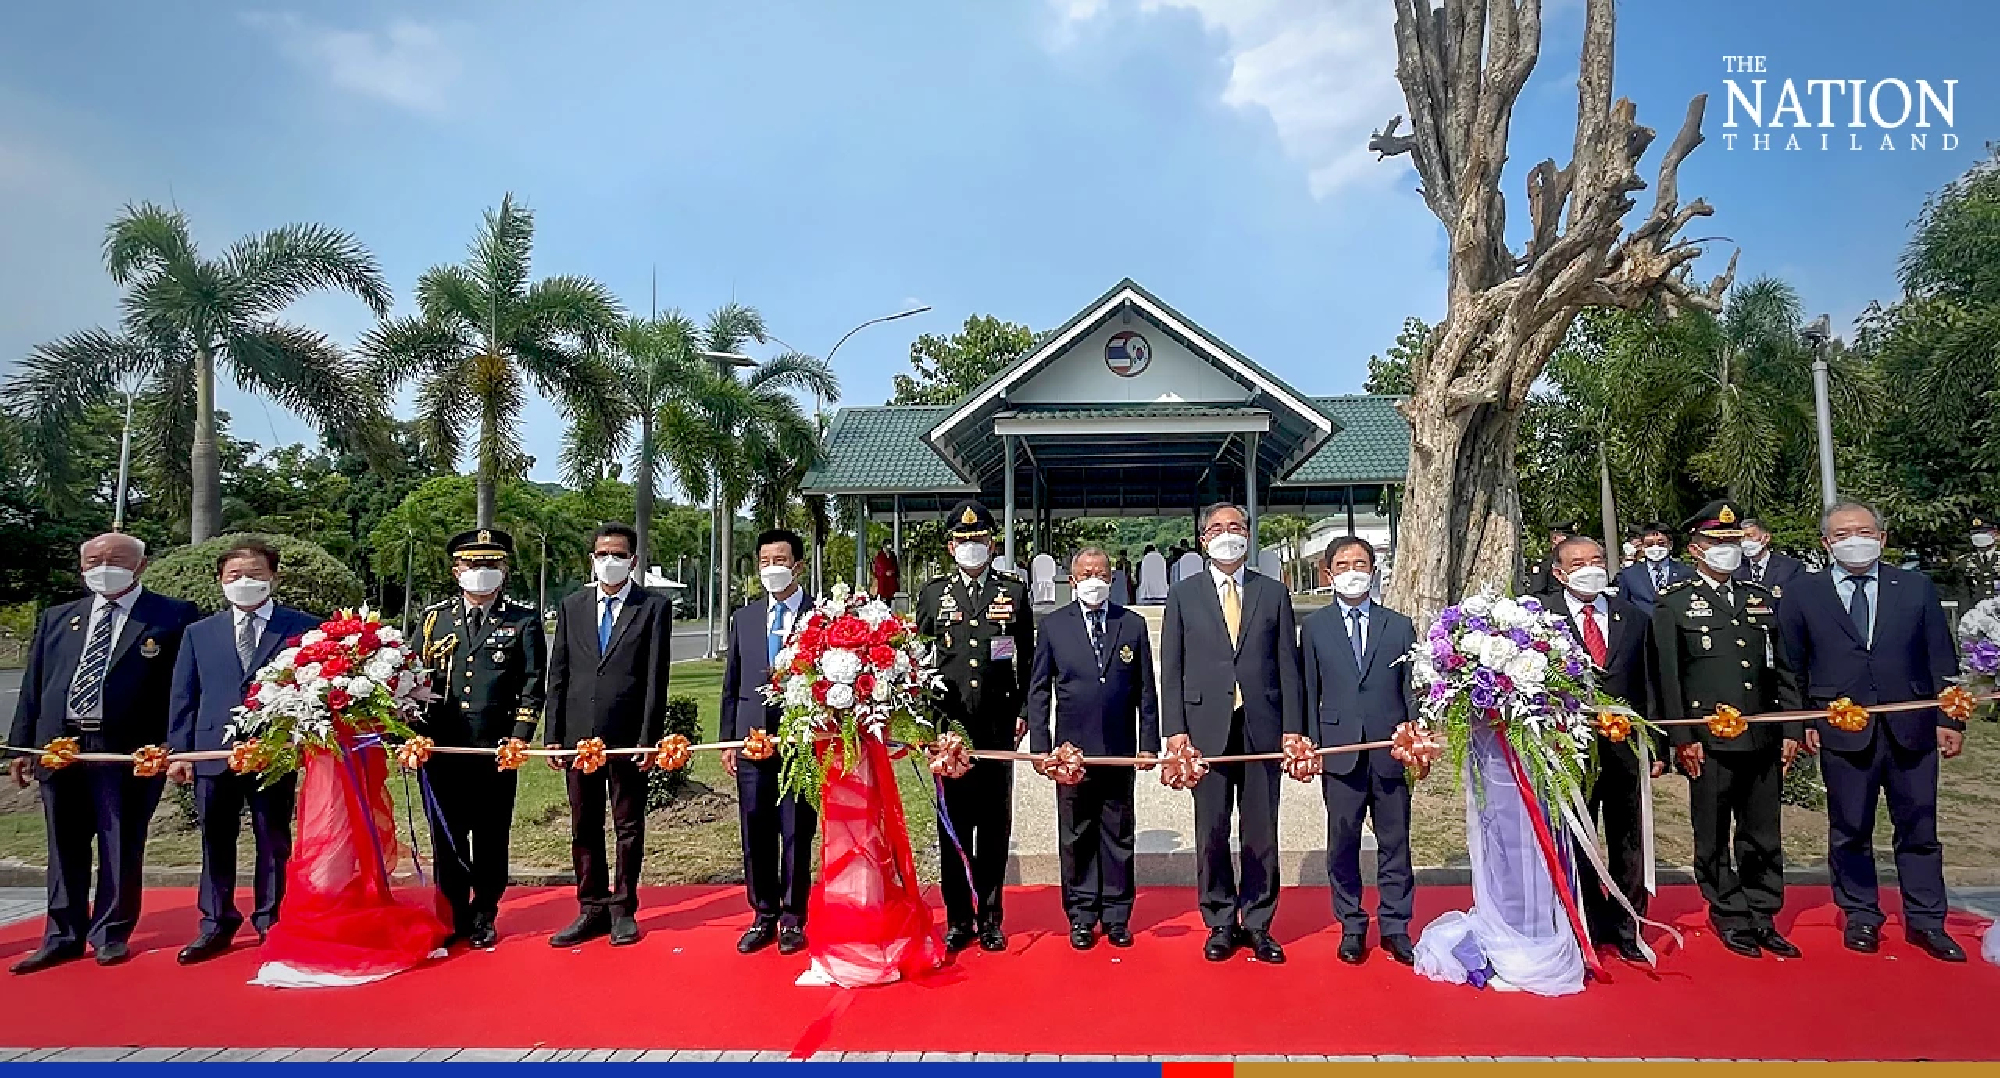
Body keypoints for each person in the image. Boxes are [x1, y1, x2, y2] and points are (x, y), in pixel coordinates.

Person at [1776, 501, 1966, 962]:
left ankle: (1927, 920)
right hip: (1842, 729)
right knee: (1850, 827)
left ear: (1882, 538)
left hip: (1912, 728)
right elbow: (1791, 667)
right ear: (1826, 543)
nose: (1854, 541)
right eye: (1842, 534)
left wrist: (1949, 719)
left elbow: (1941, 657)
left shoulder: (1915, 587)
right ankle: (1860, 913)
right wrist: (1804, 722)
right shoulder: (1803, 593)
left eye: (1863, 532)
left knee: (1919, 827)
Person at [8, 534, 199, 974]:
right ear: (82, 567)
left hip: (129, 752)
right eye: (94, 560)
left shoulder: (172, 616)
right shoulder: (60, 617)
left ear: (141, 565)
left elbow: (183, 687)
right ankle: (62, 935)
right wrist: (22, 745)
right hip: (61, 749)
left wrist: (174, 743)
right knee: (64, 846)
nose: (104, 567)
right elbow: (35, 684)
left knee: (120, 842)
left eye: (116, 560)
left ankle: (111, 932)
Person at [1649, 500, 1802, 960]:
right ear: (1696, 548)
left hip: (1763, 734)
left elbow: (1782, 669)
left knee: (1763, 832)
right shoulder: (1674, 603)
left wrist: (1791, 728)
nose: (1729, 549)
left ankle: (1763, 912)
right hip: (1709, 740)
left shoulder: (1761, 597)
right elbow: (1669, 679)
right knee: (1713, 831)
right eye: (1718, 542)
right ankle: (1730, 913)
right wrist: (1681, 739)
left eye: (1734, 541)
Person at [1160, 502, 1302, 964]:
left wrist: (1293, 729)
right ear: (1204, 539)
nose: (1227, 535)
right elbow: (1172, 667)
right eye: (1217, 528)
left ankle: (1259, 921)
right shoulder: (1183, 595)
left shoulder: (1272, 592)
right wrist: (1175, 730)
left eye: (1235, 527)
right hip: (1206, 729)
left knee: (1261, 830)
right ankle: (1220, 919)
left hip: (1262, 725)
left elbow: (1288, 665)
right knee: (1212, 830)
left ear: (1248, 535)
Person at [166, 537, 319, 965]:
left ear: (274, 577)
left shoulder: (302, 628)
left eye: (255, 574)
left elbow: (314, 689)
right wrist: (180, 751)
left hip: (274, 751)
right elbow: (184, 695)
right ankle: (215, 922)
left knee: (273, 838)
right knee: (216, 838)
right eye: (235, 575)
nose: (245, 582)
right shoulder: (199, 632)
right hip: (212, 751)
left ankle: (271, 919)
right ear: (220, 580)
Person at [415, 528, 546, 950]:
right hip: (443, 747)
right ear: (456, 571)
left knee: (491, 834)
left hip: (495, 748)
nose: (481, 571)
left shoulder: (522, 620)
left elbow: (533, 683)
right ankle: (453, 913)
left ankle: (485, 909)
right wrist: (415, 734)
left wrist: (520, 736)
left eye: (491, 564)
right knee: (447, 835)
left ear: (504, 570)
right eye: (473, 564)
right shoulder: (435, 620)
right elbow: (412, 680)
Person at [545, 522, 674, 948]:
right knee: (584, 824)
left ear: (633, 561)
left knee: (627, 824)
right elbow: (559, 672)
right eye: (603, 554)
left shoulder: (653, 608)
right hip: (578, 738)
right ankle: (591, 907)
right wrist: (553, 735)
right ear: (592, 559)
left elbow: (656, 677)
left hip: (628, 737)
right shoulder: (573, 606)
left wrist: (649, 738)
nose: (610, 561)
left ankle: (623, 908)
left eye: (618, 555)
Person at [914, 500, 1034, 953]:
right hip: (950, 727)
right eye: (963, 541)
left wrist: (1025, 710)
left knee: (994, 825)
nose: (971, 546)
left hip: (998, 725)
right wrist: (925, 720)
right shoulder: (933, 594)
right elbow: (916, 660)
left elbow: (1028, 657)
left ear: (993, 544)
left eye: (979, 539)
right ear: (950, 547)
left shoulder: (1013, 591)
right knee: (954, 826)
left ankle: (990, 917)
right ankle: (959, 918)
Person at [1027, 547, 1158, 950]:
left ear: (1112, 578)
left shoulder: (1131, 624)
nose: (1094, 580)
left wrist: (1148, 745)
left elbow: (1146, 691)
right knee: (1076, 833)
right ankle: (1082, 914)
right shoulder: (1054, 626)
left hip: (1118, 749)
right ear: (1072, 580)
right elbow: (1039, 690)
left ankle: (1117, 914)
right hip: (1072, 753)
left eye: (1101, 573)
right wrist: (1040, 745)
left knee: (1118, 832)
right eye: (1086, 574)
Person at [1302, 536, 1417, 966]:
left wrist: (1413, 733)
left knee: (1395, 842)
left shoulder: (1399, 626)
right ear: (1328, 573)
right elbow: (1308, 689)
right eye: (1343, 565)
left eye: (1360, 564)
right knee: (1343, 842)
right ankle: (1351, 924)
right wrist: (1310, 743)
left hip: (1389, 749)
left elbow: (1410, 689)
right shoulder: (1315, 628)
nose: (1352, 572)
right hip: (1340, 750)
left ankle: (1395, 926)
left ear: (1373, 569)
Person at [1551, 534, 1661, 963]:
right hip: (1570, 748)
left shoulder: (1632, 617)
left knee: (1628, 836)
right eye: (1578, 563)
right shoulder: (1542, 619)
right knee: (1577, 836)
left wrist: (1659, 747)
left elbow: (1649, 682)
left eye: (1596, 560)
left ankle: (1628, 923)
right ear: (1560, 572)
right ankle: (1586, 921)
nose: (1590, 569)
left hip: (1625, 747)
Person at [720, 528, 817, 956]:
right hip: (752, 741)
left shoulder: (820, 616)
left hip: (800, 742)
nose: (772, 569)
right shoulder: (744, 618)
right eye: (764, 562)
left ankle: (793, 917)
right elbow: (731, 683)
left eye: (780, 561)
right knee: (755, 828)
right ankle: (763, 913)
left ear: (798, 566)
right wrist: (728, 739)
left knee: (796, 830)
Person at [1616, 522, 1693, 617]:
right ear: (1642, 546)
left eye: (1661, 543)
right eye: (1649, 544)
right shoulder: (1629, 574)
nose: (1655, 548)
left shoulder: (1686, 572)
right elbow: (1623, 607)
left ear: (1670, 544)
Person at [1735, 517, 1805, 598]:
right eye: (1742, 537)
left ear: (1766, 538)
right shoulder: (1736, 567)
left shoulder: (1791, 568)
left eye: (1750, 536)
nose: (1745, 542)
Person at [1520, 521, 1577, 600]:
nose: (1571, 543)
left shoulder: (1576, 563)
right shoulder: (1544, 565)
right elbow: (1536, 595)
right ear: (1555, 539)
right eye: (1567, 538)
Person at [1951, 516, 2000, 604]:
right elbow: (1963, 596)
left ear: (1996, 534)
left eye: (1984, 532)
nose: (1980, 536)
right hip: (1976, 610)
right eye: (1976, 532)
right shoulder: (1963, 562)